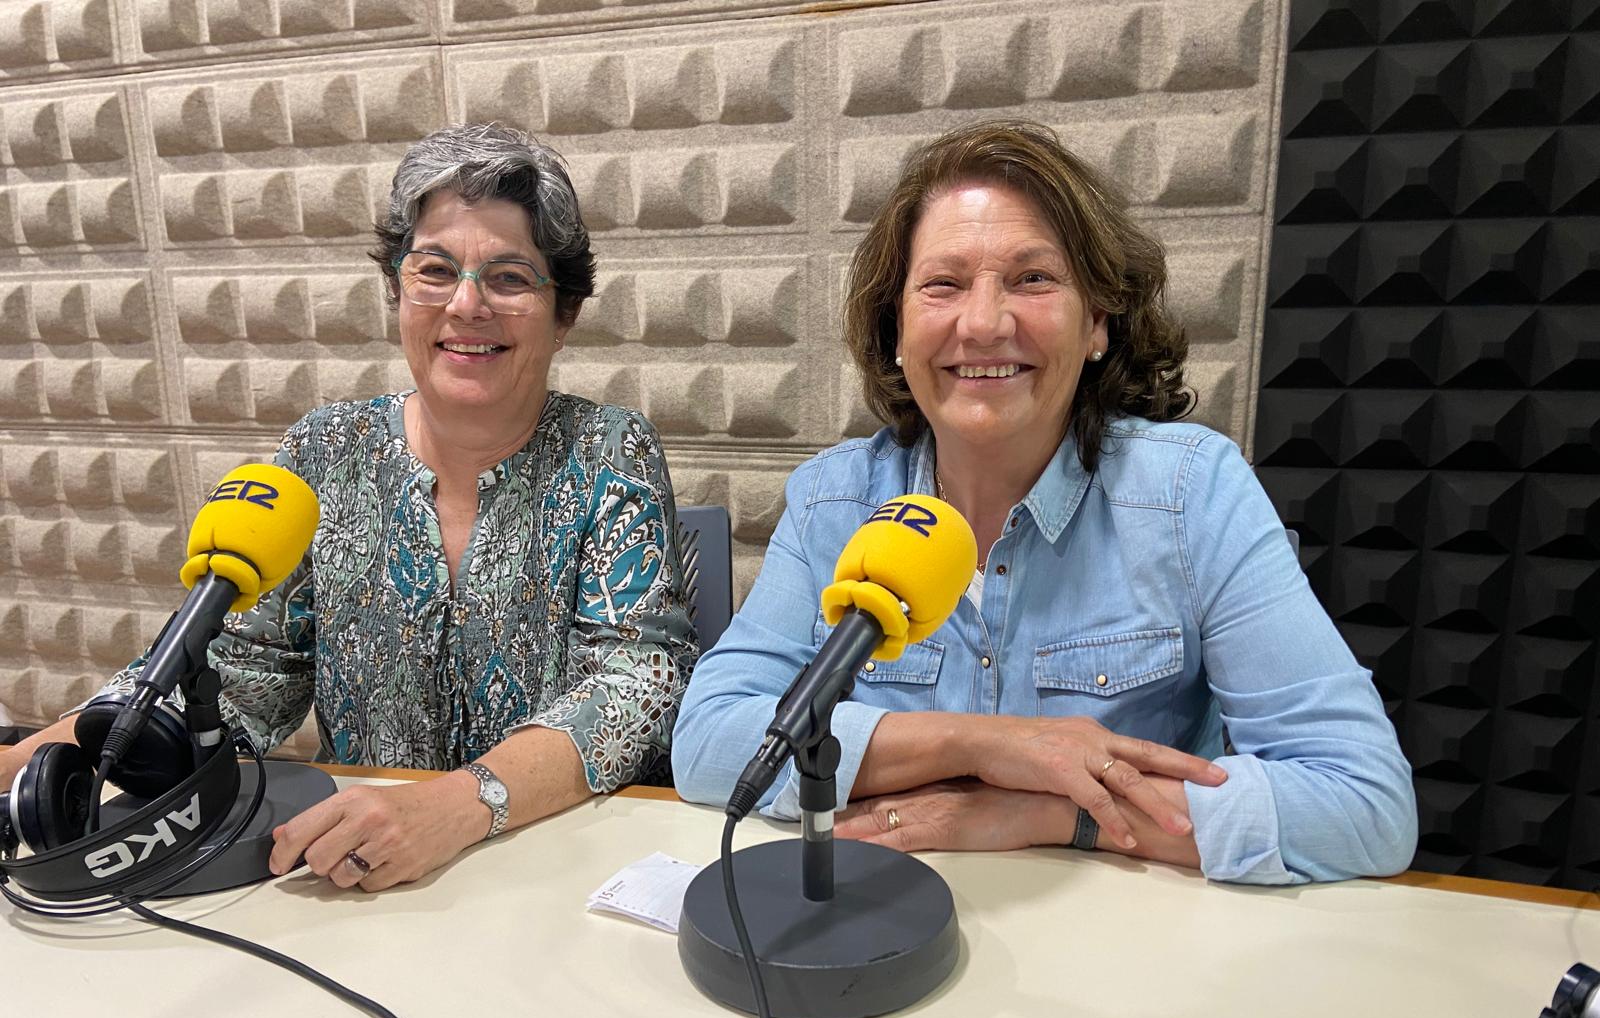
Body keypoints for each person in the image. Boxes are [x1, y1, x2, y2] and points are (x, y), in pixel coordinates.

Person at [671, 120, 1416, 885]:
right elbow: (708, 741)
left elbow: (1366, 804)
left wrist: (1057, 811)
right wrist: (980, 744)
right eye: (943, 284)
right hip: (886, 915)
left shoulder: (1195, 493)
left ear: (1096, 321)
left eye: (1032, 279)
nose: (985, 323)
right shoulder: (835, 499)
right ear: (896, 327)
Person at [0, 124, 697, 892]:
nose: (466, 305)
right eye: (435, 269)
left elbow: (636, 684)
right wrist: (33, 759)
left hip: (559, 866)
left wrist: (459, 806)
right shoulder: (325, 451)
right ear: (398, 290)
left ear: (563, 313)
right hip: (360, 879)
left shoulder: (609, 450)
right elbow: (238, 672)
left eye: (509, 278)